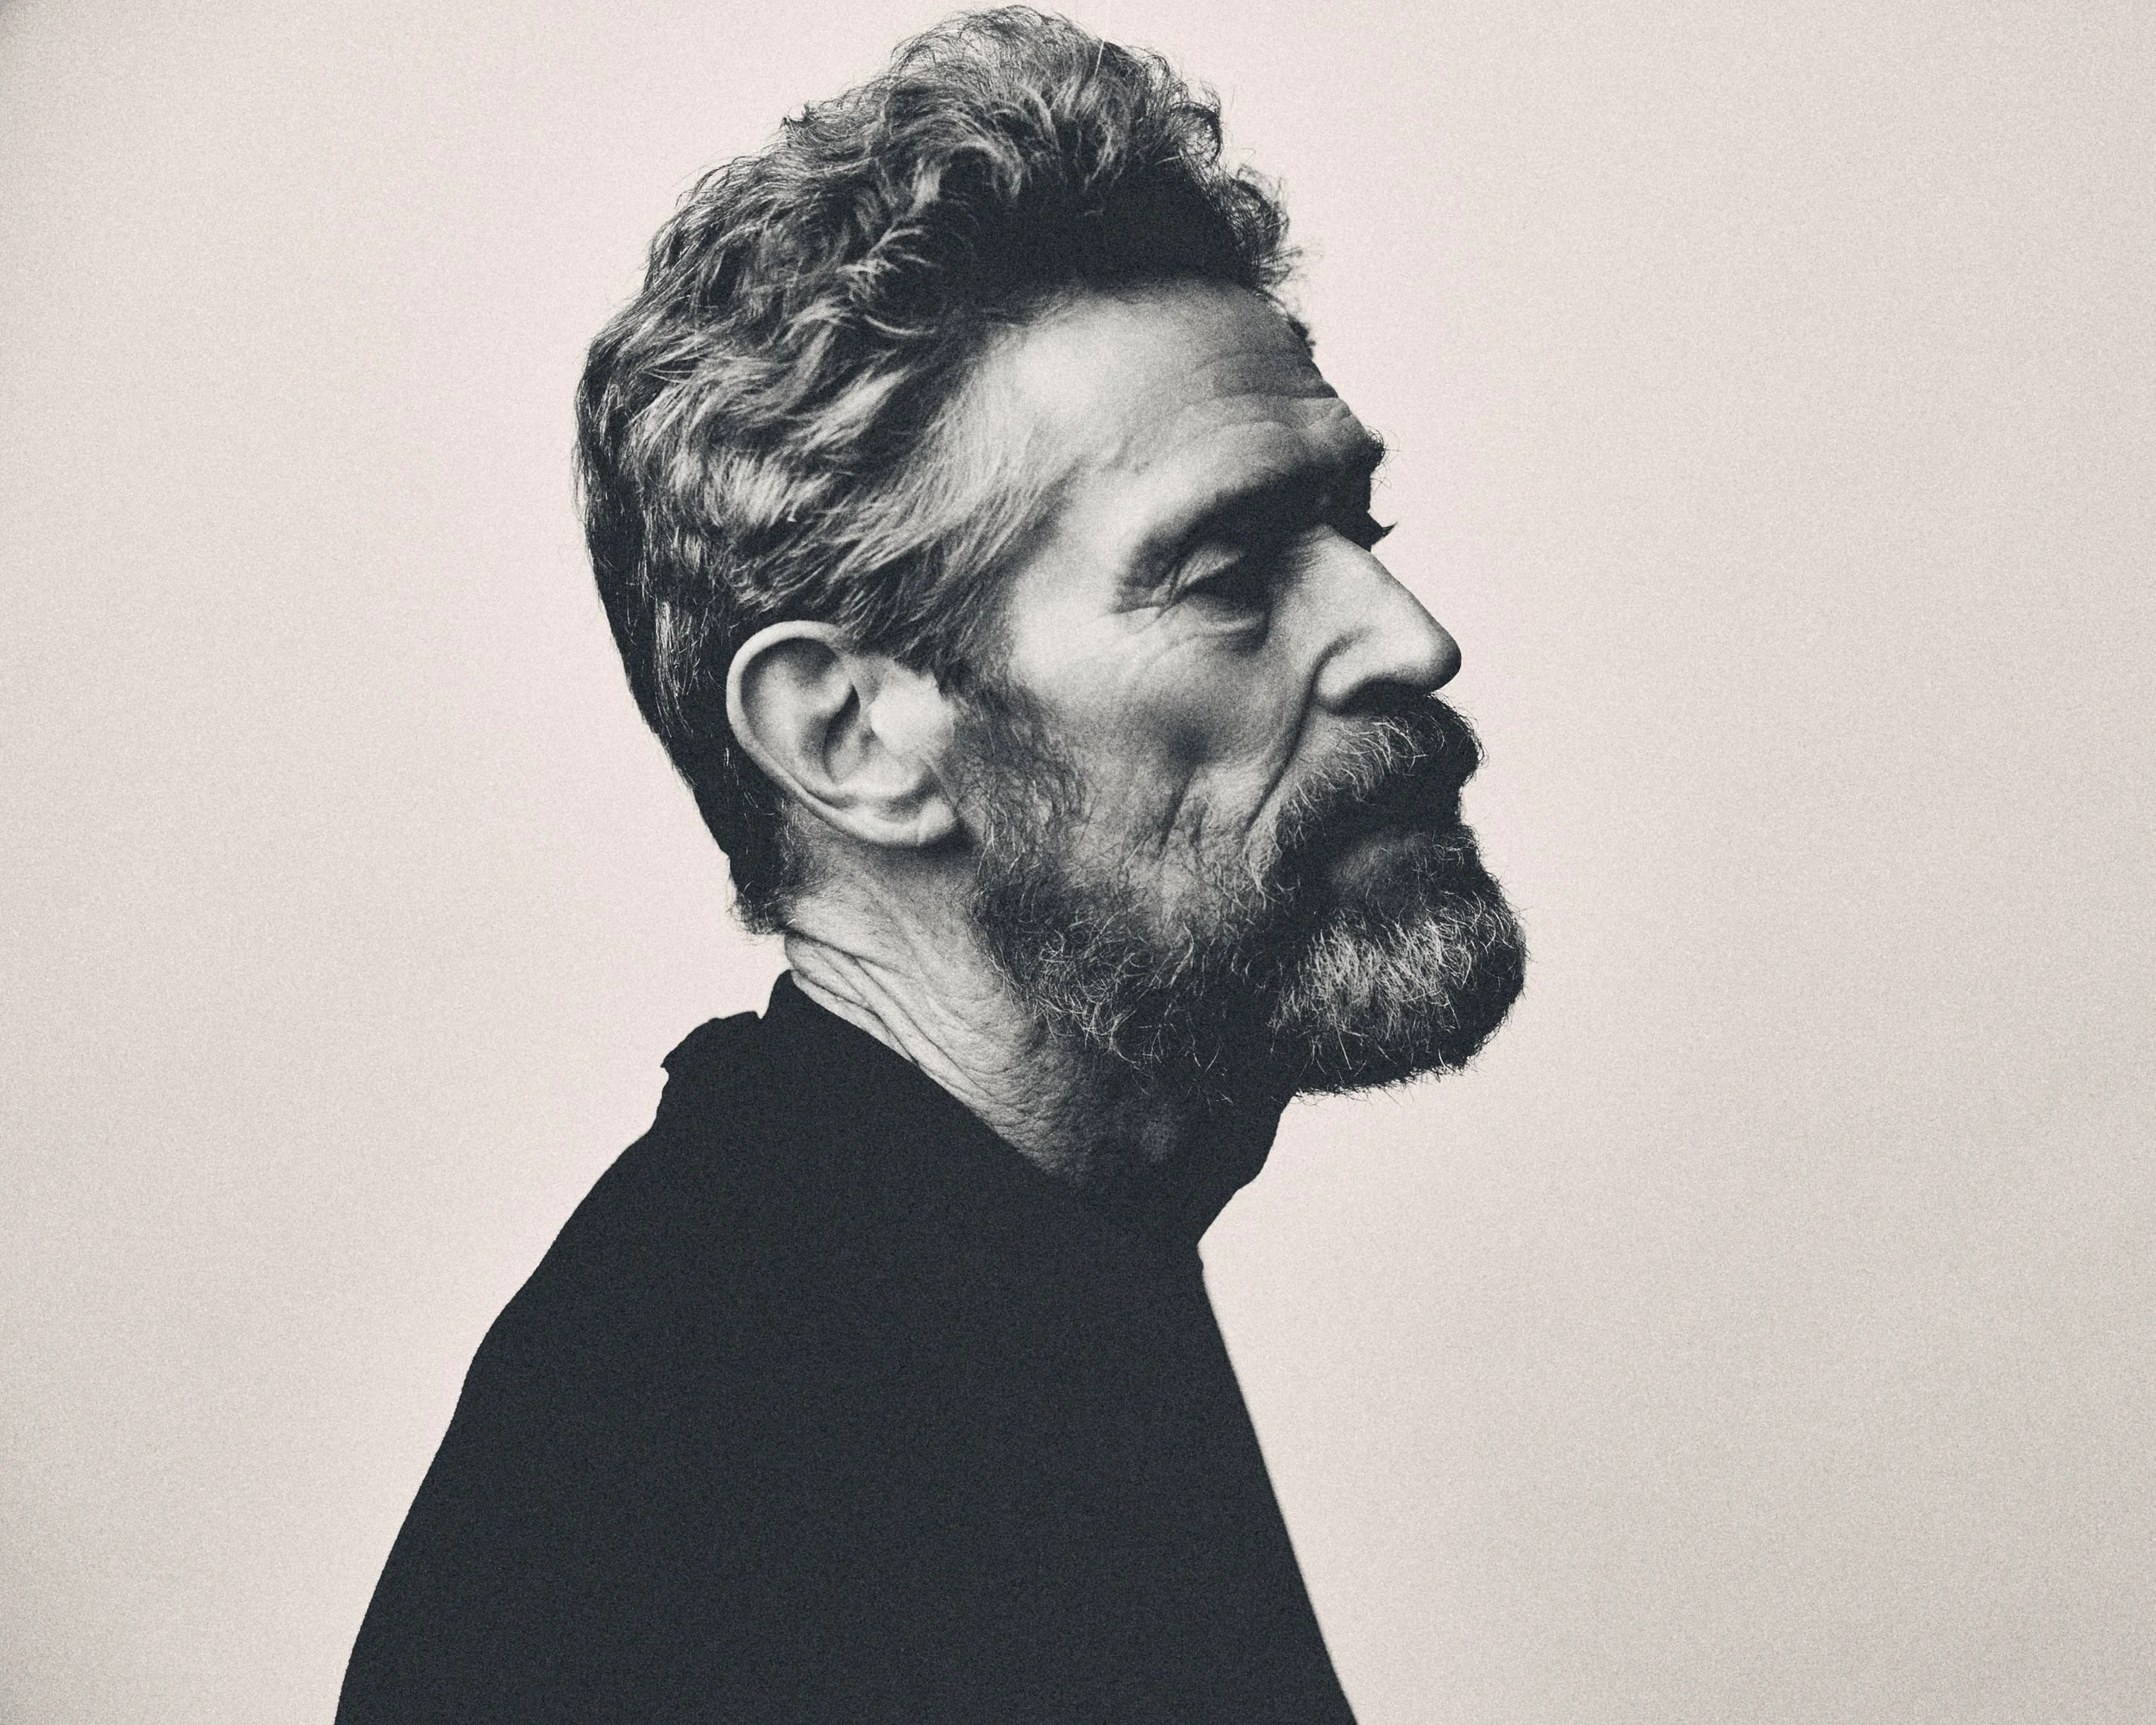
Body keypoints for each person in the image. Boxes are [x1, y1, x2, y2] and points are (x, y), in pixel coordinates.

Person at [337, 9, 1526, 1721]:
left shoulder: (995, 1277)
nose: (1410, 639)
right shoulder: (696, 1487)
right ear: (852, 739)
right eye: (1226, 571)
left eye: (1357, 527)